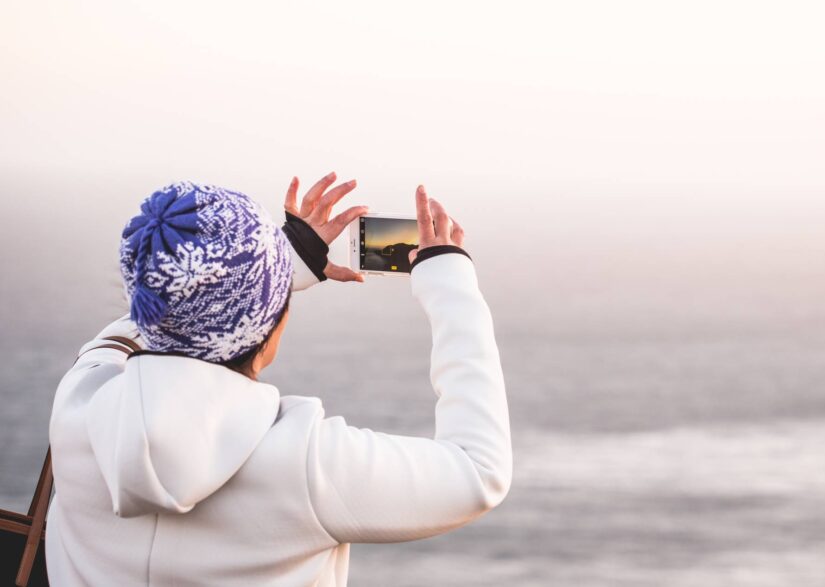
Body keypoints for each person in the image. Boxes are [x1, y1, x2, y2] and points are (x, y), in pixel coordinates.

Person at [45, 173, 513, 586]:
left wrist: (274, 269)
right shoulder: (308, 466)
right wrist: (450, 284)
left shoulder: (79, 401)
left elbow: (144, 324)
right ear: (272, 322)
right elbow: (479, 472)